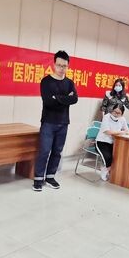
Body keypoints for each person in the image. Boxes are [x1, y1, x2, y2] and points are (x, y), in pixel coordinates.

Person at [33, 50, 78, 192]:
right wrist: (65, 99)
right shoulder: (46, 81)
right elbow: (48, 102)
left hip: (63, 122)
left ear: (68, 66)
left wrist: (57, 98)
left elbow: (74, 99)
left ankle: (50, 177)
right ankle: (38, 179)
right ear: (54, 64)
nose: (61, 68)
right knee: (44, 151)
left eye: (64, 66)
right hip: (48, 122)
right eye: (59, 65)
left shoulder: (69, 83)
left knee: (57, 151)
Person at [96, 103, 129, 182]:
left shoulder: (122, 119)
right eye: (115, 112)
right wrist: (121, 132)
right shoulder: (106, 117)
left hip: (113, 143)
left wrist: (126, 132)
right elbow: (107, 132)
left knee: (118, 157)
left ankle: (109, 171)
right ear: (112, 110)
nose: (116, 114)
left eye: (119, 113)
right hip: (102, 142)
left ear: (122, 114)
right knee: (108, 158)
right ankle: (106, 170)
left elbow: (127, 130)